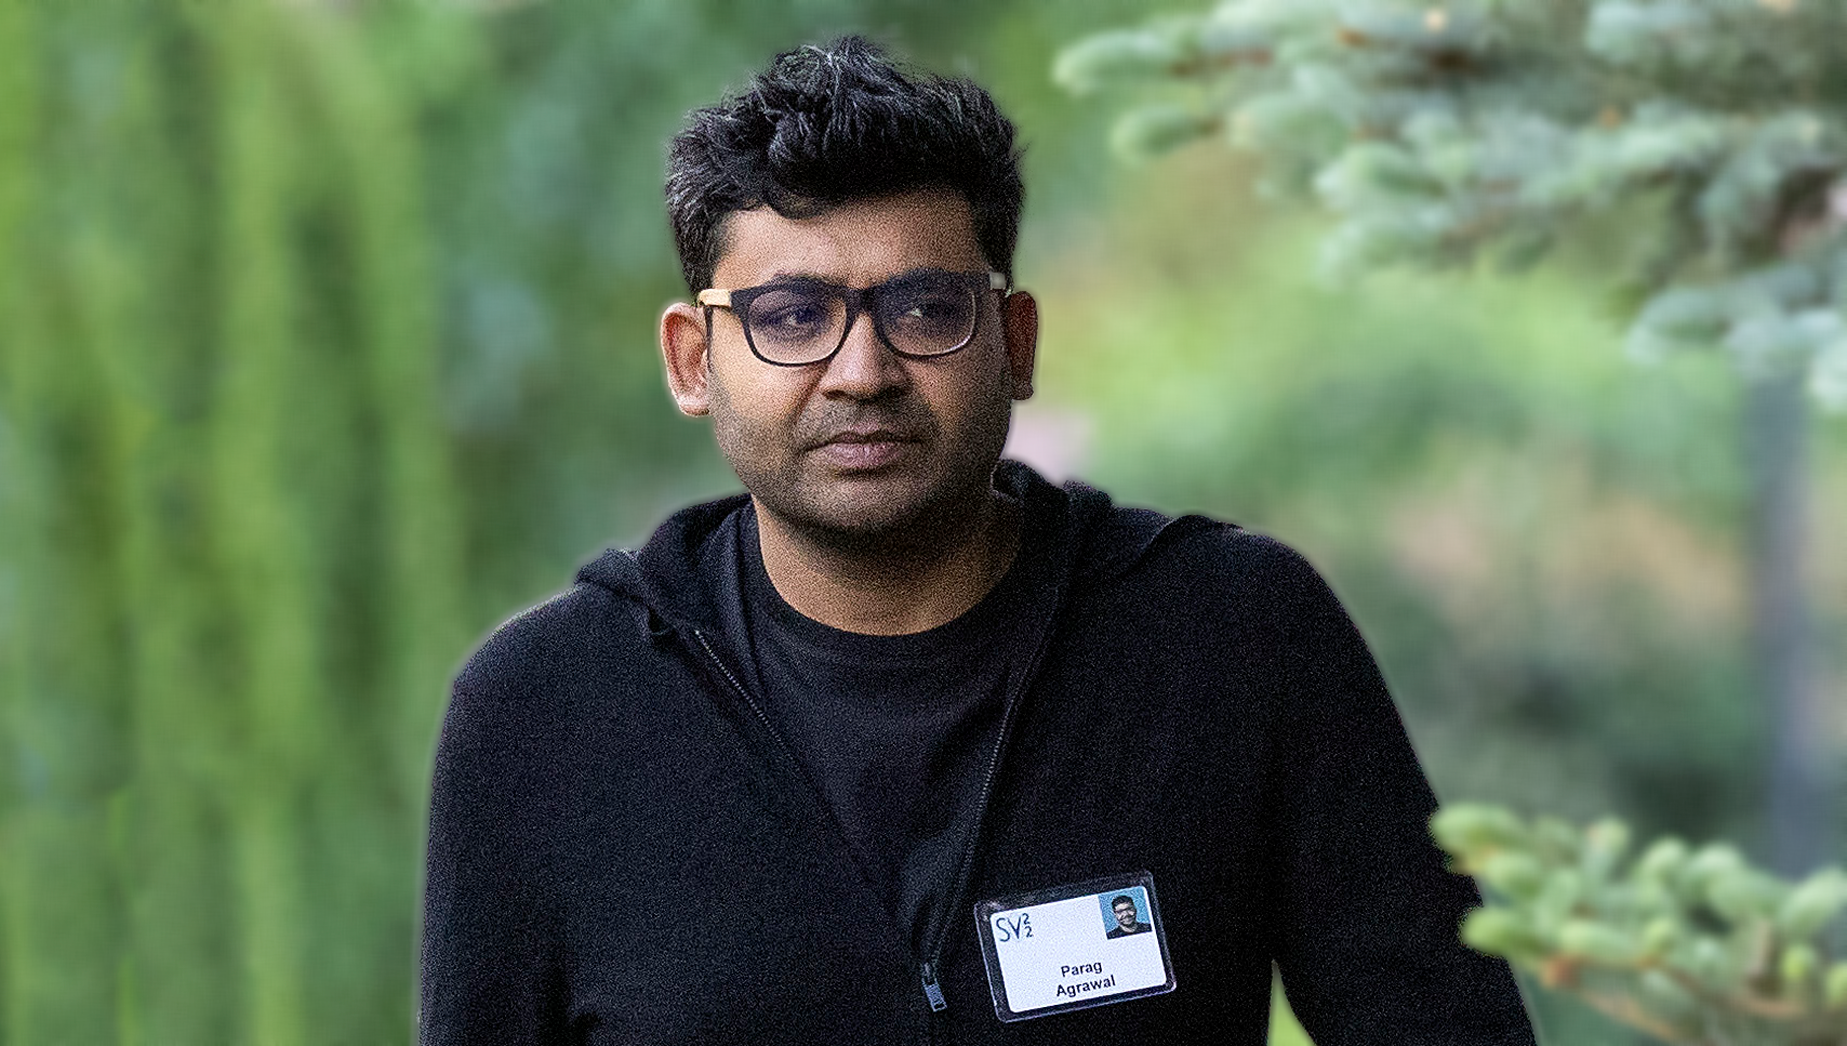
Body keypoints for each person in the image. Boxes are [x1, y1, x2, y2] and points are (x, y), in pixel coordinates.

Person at [418, 35, 1538, 1045]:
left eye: (922, 308)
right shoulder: (545, 712)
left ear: (1015, 339)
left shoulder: (1236, 639)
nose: (861, 371)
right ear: (692, 361)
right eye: (791, 316)